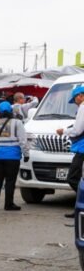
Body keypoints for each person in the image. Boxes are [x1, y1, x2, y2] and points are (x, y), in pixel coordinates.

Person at [0, 101, 28, 211]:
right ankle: (8, 204)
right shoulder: (17, 123)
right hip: (12, 157)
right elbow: (23, 141)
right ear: (11, 111)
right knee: (10, 181)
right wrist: (26, 154)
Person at [56, 85, 84, 218]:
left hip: (82, 148)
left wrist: (64, 131)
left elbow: (78, 130)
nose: (75, 103)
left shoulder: (83, 107)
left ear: (80, 96)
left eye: (75, 100)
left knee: (72, 177)